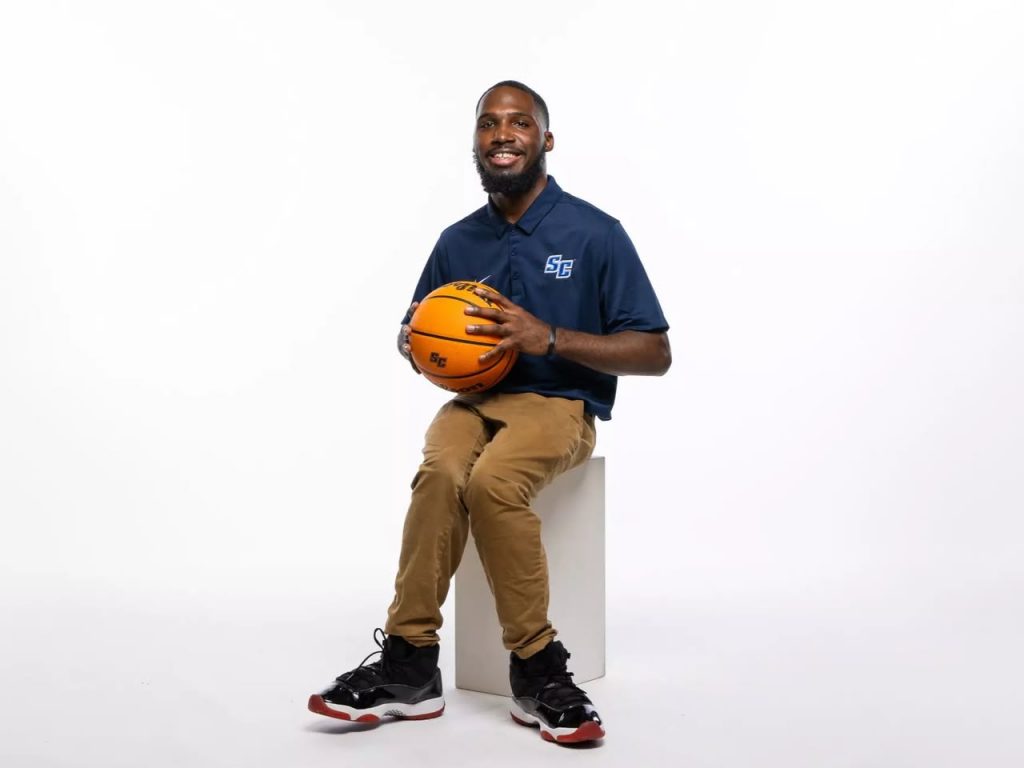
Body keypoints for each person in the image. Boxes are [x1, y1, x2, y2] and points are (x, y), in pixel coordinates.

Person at [308, 80, 671, 744]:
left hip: (559, 402)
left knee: (492, 483)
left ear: (545, 141)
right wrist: (417, 342)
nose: (502, 133)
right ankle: (410, 665)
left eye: (519, 122)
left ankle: (538, 668)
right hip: (473, 401)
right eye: (488, 123)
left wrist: (551, 338)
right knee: (440, 476)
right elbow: (416, 335)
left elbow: (654, 350)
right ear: (476, 142)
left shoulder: (594, 233)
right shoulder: (457, 240)